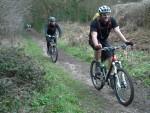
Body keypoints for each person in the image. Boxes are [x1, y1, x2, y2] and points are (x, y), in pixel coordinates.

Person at [89, 5, 133, 73]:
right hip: (94, 40)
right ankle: (97, 65)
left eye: (108, 14)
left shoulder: (112, 20)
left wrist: (126, 41)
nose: (106, 16)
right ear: (100, 15)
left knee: (111, 57)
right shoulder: (95, 22)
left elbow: (118, 31)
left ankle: (111, 74)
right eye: (104, 14)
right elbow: (94, 35)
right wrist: (96, 45)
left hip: (104, 40)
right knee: (98, 48)